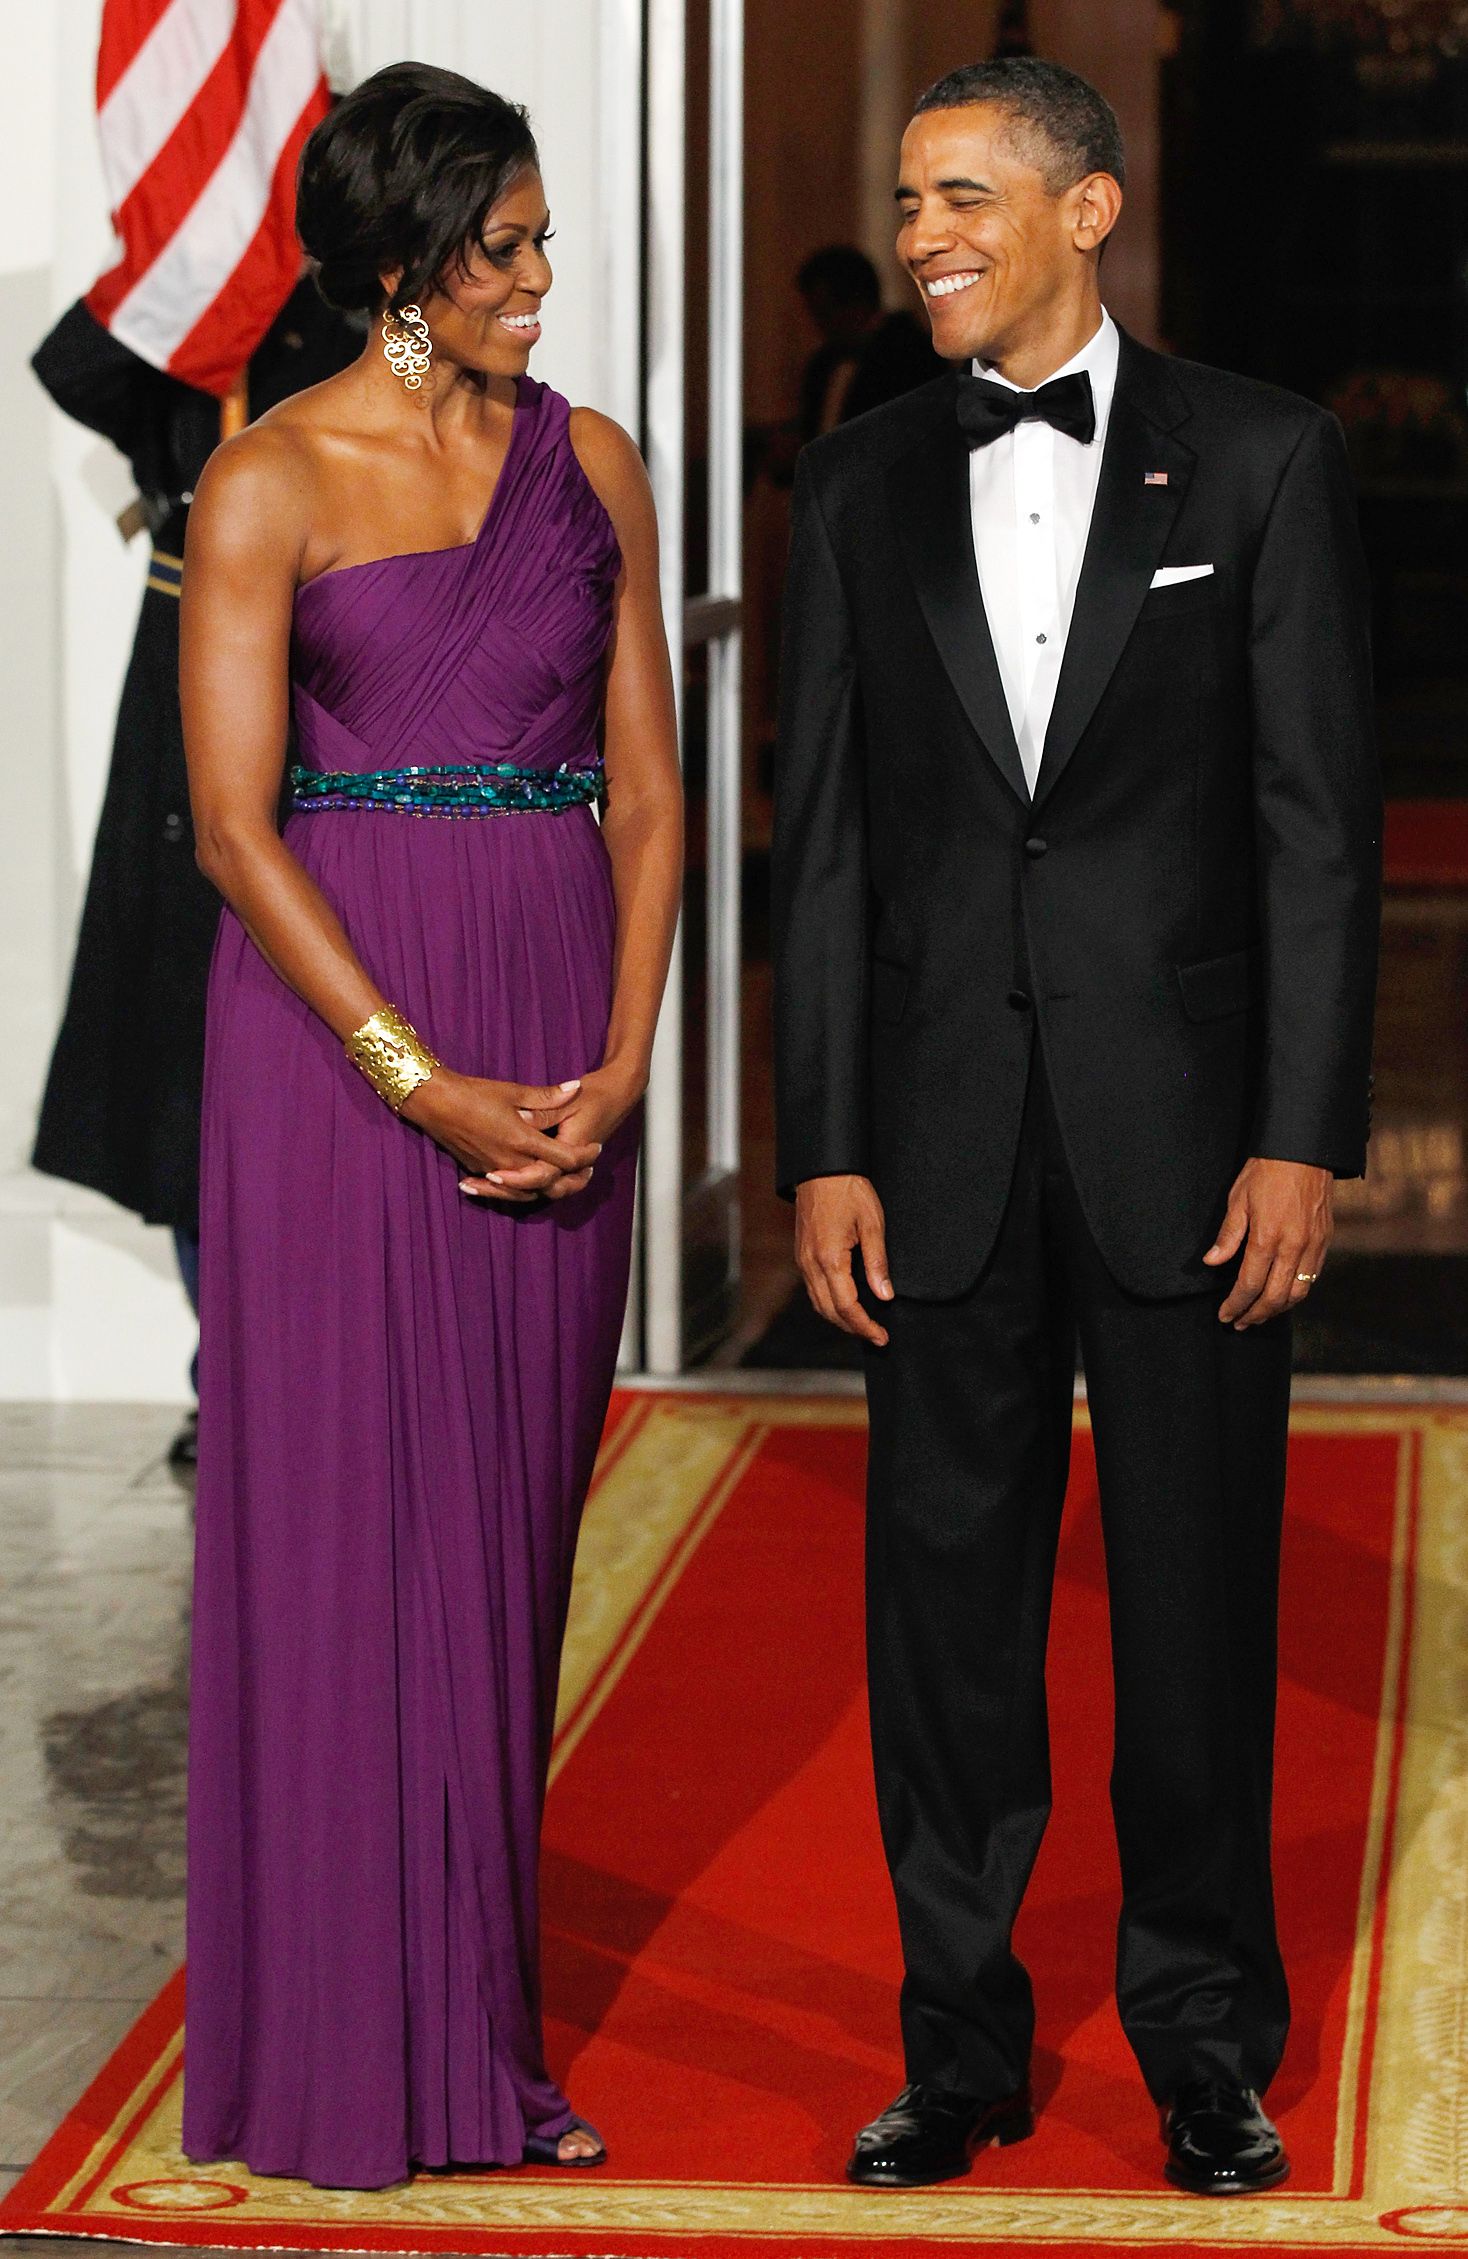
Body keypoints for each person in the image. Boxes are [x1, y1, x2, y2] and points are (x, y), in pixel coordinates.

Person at [772, 58, 1379, 2198]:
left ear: (1082, 208)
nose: (919, 234)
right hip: (932, 1135)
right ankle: (954, 2051)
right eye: (908, 200)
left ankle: (1203, 2046)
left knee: (1193, 1612)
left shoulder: (1266, 457)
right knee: (942, 1625)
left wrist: (1300, 1132)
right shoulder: (854, 482)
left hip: (1188, 1141)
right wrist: (821, 1140)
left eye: (958, 196)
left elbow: (1314, 831)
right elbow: (823, 845)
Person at [178, 62, 681, 2188]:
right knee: (347, 1549)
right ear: (399, 262)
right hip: (338, 1058)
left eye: (542, 235)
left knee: (503, 1546)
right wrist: (412, 1072)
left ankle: (473, 2021)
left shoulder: (595, 461)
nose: (542, 276)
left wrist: (626, 1060)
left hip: (560, 1033)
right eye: (504, 244)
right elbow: (231, 827)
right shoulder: (269, 479)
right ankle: (348, 2054)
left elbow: (648, 790)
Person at [29, 280, 361, 1462]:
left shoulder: (360, 329)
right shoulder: (194, 319)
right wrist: (184, 265)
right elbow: (70, 367)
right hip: (182, 706)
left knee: (320, 1058)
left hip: (327, 691)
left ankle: (323, 1371)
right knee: (187, 1063)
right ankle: (227, 1373)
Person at [795, 246, 943, 442]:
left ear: (857, 304)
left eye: (824, 313)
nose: (818, 325)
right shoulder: (823, 364)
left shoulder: (911, 356)